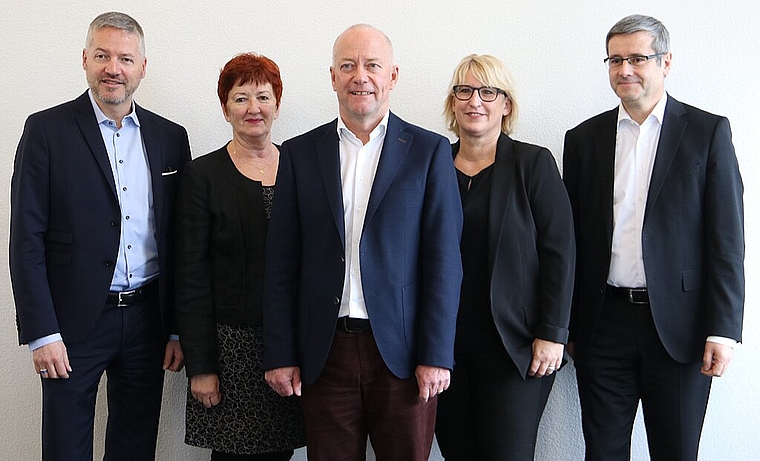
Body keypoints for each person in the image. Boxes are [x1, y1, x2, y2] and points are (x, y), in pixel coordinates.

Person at [262, 24, 463, 461]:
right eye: (348, 66)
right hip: (325, 353)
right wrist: (280, 353)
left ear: (392, 75)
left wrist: (437, 354)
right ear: (332, 76)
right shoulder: (299, 154)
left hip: (405, 357)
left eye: (372, 65)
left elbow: (444, 263)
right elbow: (281, 262)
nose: (361, 76)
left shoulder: (429, 153)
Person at [9, 11, 190, 461]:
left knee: (134, 446)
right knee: (66, 448)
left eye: (125, 58)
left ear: (142, 68)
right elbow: (25, 237)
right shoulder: (46, 131)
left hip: (148, 320)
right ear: (85, 59)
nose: (114, 68)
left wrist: (175, 328)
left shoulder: (171, 138)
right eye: (103, 55)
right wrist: (41, 331)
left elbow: (178, 241)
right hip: (71, 326)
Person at [563, 14, 744, 460]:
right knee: (602, 452)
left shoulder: (707, 132)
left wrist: (723, 329)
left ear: (666, 63)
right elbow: (570, 244)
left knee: (676, 451)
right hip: (601, 325)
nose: (625, 69)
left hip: (682, 329)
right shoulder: (583, 139)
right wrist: (562, 321)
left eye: (638, 58)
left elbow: (727, 239)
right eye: (616, 59)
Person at [433, 54, 575, 461]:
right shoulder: (433, 164)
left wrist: (553, 333)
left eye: (488, 92)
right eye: (464, 91)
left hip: (514, 348)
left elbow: (560, 253)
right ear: (453, 102)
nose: (475, 101)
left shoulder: (532, 163)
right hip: (446, 349)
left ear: (506, 104)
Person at [175, 52, 306, 461]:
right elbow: (190, 275)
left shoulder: (301, 168)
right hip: (230, 354)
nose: (254, 109)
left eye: (264, 97)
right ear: (225, 107)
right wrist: (201, 365)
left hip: (291, 347)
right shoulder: (203, 176)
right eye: (241, 98)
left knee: (282, 453)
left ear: (277, 105)